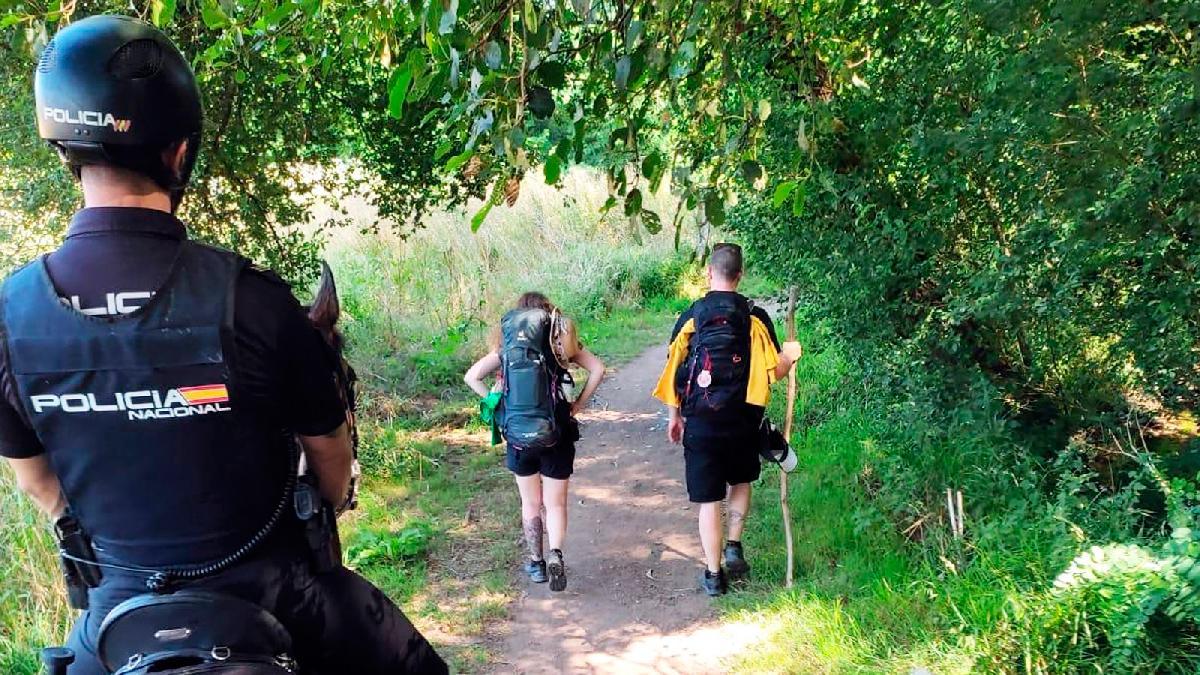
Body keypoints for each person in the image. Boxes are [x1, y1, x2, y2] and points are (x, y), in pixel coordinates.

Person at [0, 15, 446, 673]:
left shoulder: (10, 318)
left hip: (117, 617)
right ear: (180, 152)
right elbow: (329, 459)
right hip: (279, 601)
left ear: (63, 149)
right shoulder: (253, 301)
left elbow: (39, 484)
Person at [652, 243, 802, 596]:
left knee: (708, 500)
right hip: (743, 421)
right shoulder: (753, 316)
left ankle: (714, 575)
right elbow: (772, 372)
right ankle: (733, 544)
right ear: (740, 275)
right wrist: (790, 356)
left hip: (700, 422)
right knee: (740, 481)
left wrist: (674, 416)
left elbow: (674, 369)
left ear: (709, 272)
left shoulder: (692, 315)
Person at [464, 292, 606, 592]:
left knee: (530, 503)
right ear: (547, 314)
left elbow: (472, 376)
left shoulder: (507, 346)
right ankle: (556, 553)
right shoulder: (559, 342)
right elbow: (598, 369)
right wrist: (577, 404)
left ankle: (537, 563)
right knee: (555, 503)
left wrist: (497, 403)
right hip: (557, 431)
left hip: (518, 435)